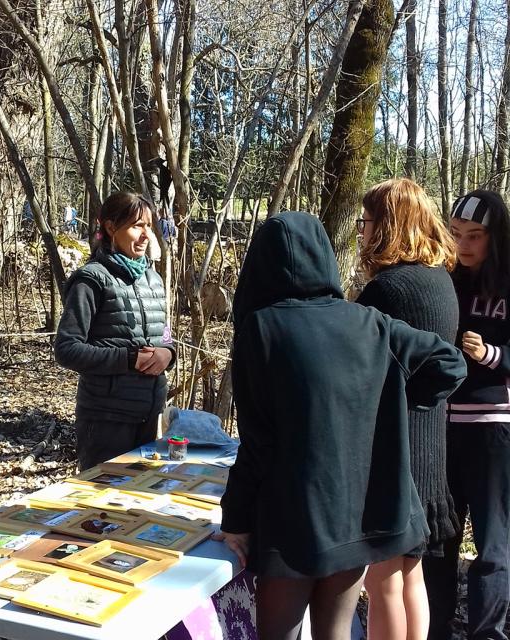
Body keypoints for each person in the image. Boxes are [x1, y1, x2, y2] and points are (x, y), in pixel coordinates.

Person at [217, 211, 466, 640]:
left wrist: (235, 518)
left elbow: (258, 444)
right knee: (334, 633)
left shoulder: (262, 329)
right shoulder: (368, 321)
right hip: (356, 515)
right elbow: (450, 364)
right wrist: (378, 408)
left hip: (291, 520)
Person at [354, 178, 460, 640]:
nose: (361, 231)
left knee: (382, 581)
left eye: (367, 221)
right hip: (430, 446)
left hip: (394, 453)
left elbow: (359, 373)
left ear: (386, 226)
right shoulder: (441, 282)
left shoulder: (386, 291)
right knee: (411, 575)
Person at [424, 189, 510, 640]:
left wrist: (492, 354)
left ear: (496, 238)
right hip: (441, 427)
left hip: (494, 428)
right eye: (456, 234)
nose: (464, 245)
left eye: (475, 236)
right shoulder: (443, 280)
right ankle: (436, 627)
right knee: (441, 539)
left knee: (494, 545)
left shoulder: (507, 281)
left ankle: (487, 633)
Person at [54, 192, 175, 470]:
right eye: (137, 226)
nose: (146, 235)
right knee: (102, 508)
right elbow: (67, 349)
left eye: (148, 226)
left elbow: (164, 335)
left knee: (139, 504)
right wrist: (129, 359)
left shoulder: (153, 279)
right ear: (110, 228)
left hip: (150, 415)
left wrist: (169, 353)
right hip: (106, 420)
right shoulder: (90, 280)